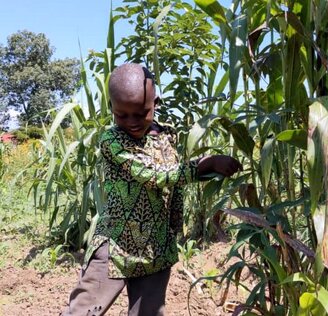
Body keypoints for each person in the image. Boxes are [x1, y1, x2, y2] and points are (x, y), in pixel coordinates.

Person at [61, 63, 242, 316]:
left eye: (140, 113)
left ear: (155, 103)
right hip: (116, 246)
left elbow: (173, 176)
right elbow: (152, 176)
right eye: (121, 115)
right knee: (83, 311)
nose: (132, 122)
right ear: (111, 108)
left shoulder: (166, 136)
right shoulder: (112, 141)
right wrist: (204, 166)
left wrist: (212, 169)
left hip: (156, 249)